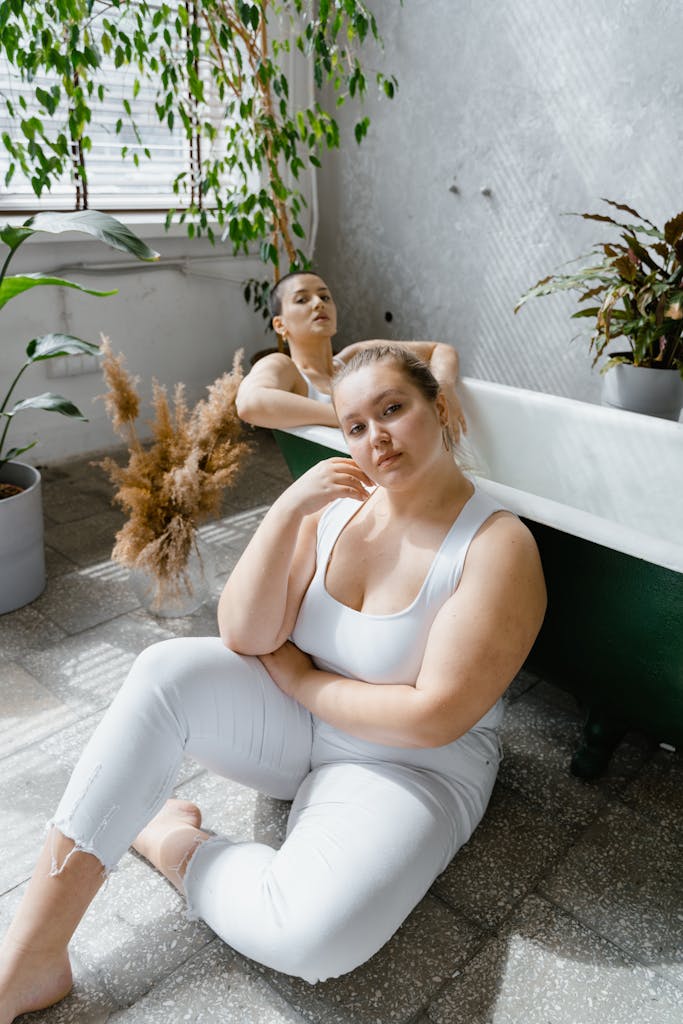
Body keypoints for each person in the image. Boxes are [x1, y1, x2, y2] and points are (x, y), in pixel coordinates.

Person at [0, 345, 546, 1021]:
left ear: (437, 406)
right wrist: (289, 510)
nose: (374, 436)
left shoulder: (496, 546)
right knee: (163, 670)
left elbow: (432, 717)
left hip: (412, 767)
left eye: (392, 409)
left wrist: (299, 680)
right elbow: (247, 636)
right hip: (299, 728)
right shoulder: (337, 507)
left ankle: (172, 838)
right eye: (353, 425)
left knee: (312, 939)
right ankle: (28, 960)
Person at [235, 270, 468, 440]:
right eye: (302, 299)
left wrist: (444, 387)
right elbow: (250, 403)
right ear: (280, 324)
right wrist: (352, 419)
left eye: (325, 297)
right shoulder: (284, 367)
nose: (318, 303)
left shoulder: (358, 357)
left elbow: (441, 351)